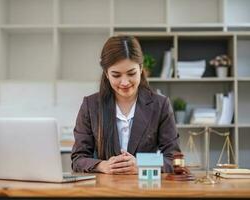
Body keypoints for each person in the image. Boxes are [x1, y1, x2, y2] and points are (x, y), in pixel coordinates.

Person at [71, 35, 180, 174]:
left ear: (140, 69)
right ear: (106, 73)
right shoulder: (90, 105)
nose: (124, 82)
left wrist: (142, 164)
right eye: (116, 75)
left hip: (146, 188)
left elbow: (174, 160)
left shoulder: (160, 105)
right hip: (104, 191)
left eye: (131, 73)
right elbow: (78, 159)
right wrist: (102, 165)